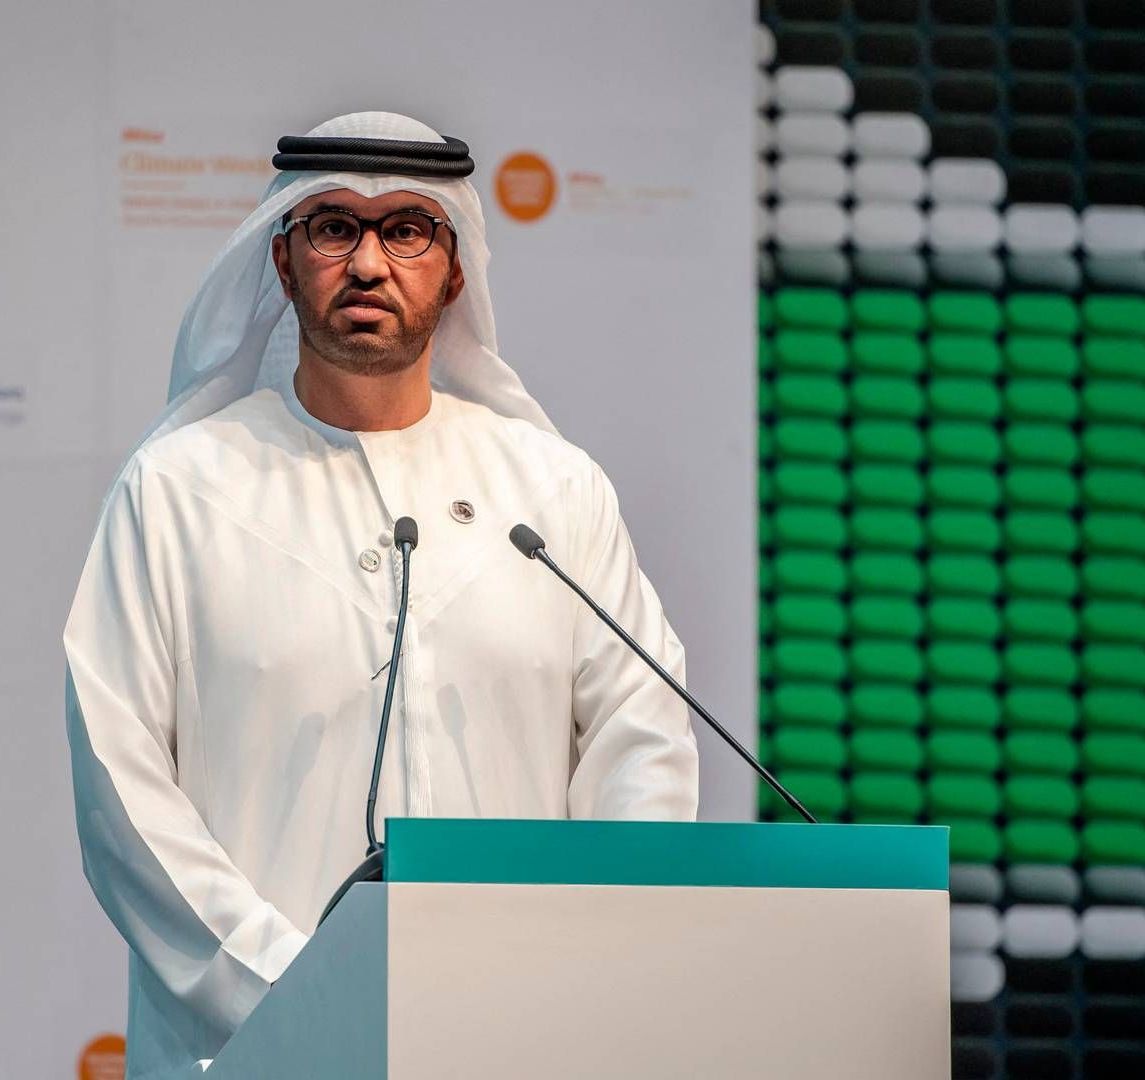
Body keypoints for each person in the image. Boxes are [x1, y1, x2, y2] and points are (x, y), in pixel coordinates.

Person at [64, 111, 698, 1078]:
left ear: (453, 271)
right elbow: (122, 792)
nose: (368, 262)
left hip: (514, 1039)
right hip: (253, 1047)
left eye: (406, 228)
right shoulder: (180, 491)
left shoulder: (553, 492)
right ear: (283, 263)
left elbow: (641, 745)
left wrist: (577, 962)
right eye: (333, 228)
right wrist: (307, 987)